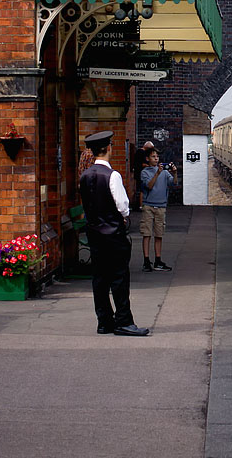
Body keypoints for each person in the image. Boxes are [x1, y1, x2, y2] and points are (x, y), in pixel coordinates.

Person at [78, 131, 150, 336]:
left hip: (94, 233)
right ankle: (123, 321)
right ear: (109, 148)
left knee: (99, 278)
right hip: (114, 234)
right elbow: (123, 206)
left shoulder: (84, 176)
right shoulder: (113, 176)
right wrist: (123, 216)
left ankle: (104, 321)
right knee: (119, 278)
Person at [138, 148, 175, 272]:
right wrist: (157, 173)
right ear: (148, 159)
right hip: (148, 206)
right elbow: (148, 186)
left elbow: (173, 183)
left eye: (157, 157)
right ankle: (146, 260)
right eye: (153, 157)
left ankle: (158, 260)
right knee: (147, 233)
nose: (156, 159)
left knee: (159, 234)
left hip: (161, 206)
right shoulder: (144, 172)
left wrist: (174, 173)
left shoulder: (164, 172)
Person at [131, 139, 155, 206]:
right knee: (142, 190)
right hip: (140, 174)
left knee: (142, 189)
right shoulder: (141, 152)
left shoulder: (140, 152)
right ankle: (141, 205)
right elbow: (139, 163)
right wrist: (147, 165)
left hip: (140, 173)